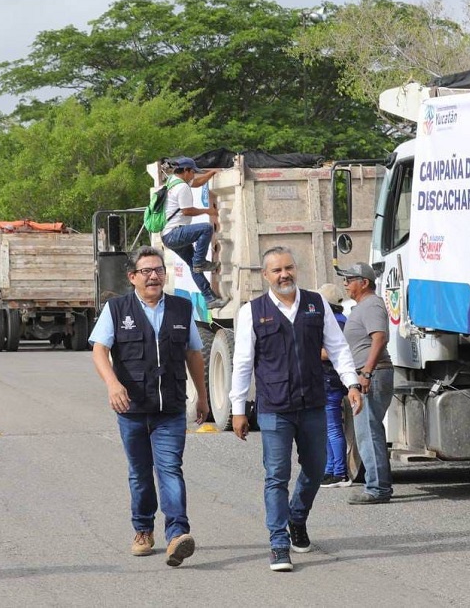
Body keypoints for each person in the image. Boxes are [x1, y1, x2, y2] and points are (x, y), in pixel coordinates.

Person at [229, 246, 364, 572]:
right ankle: (278, 543)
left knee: (317, 469)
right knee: (276, 475)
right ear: (266, 275)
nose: (283, 274)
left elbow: (337, 346)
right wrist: (237, 408)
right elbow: (243, 362)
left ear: (296, 269)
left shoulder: (316, 305)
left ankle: (297, 517)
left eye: (288, 268)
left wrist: (352, 383)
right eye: (276, 270)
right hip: (274, 407)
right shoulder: (252, 311)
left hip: (312, 404)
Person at [89, 245, 210, 567]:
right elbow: (99, 350)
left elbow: (194, 354)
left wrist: (203, 394)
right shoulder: (116, 309)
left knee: (170, 468)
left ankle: (177, 535)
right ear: (133, 277)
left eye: (158, 270)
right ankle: (143, 530)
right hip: (131, 409)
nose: (154, 276)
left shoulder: (182, 309)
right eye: (146, 271)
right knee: (140, 474)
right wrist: (113, 384)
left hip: (170, 407)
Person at [337, 262, 395, 505]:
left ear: (364, 283)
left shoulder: (371, 304)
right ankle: (378, 484)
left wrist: (367, 373)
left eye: (350, 279)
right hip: (367, 373)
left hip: (373, 374)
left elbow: (380, 337)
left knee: (367, 432)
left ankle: (377, 488)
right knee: (369, 431)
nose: (346, 283)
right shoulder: (361, 307)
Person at [159, 156, 227, 310]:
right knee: (206, 228)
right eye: (192, 172)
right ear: (186, 171)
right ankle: (200, 262)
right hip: (174, 233)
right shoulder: (181, 187)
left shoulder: (173, 180)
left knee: (193, 266)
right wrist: (208, 211)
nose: (193, 175)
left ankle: (210, 299)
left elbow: (196, 183)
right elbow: (187, 210)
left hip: (167, 236)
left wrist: (211, 173)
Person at [315, 283, 351, 488]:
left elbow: (333, 352)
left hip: (330, 379)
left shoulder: (335, 323)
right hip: (328, 379)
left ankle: (339, 472)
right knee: (327, 428)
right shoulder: (341, 320)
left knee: (332, 428)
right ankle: (329, 469)